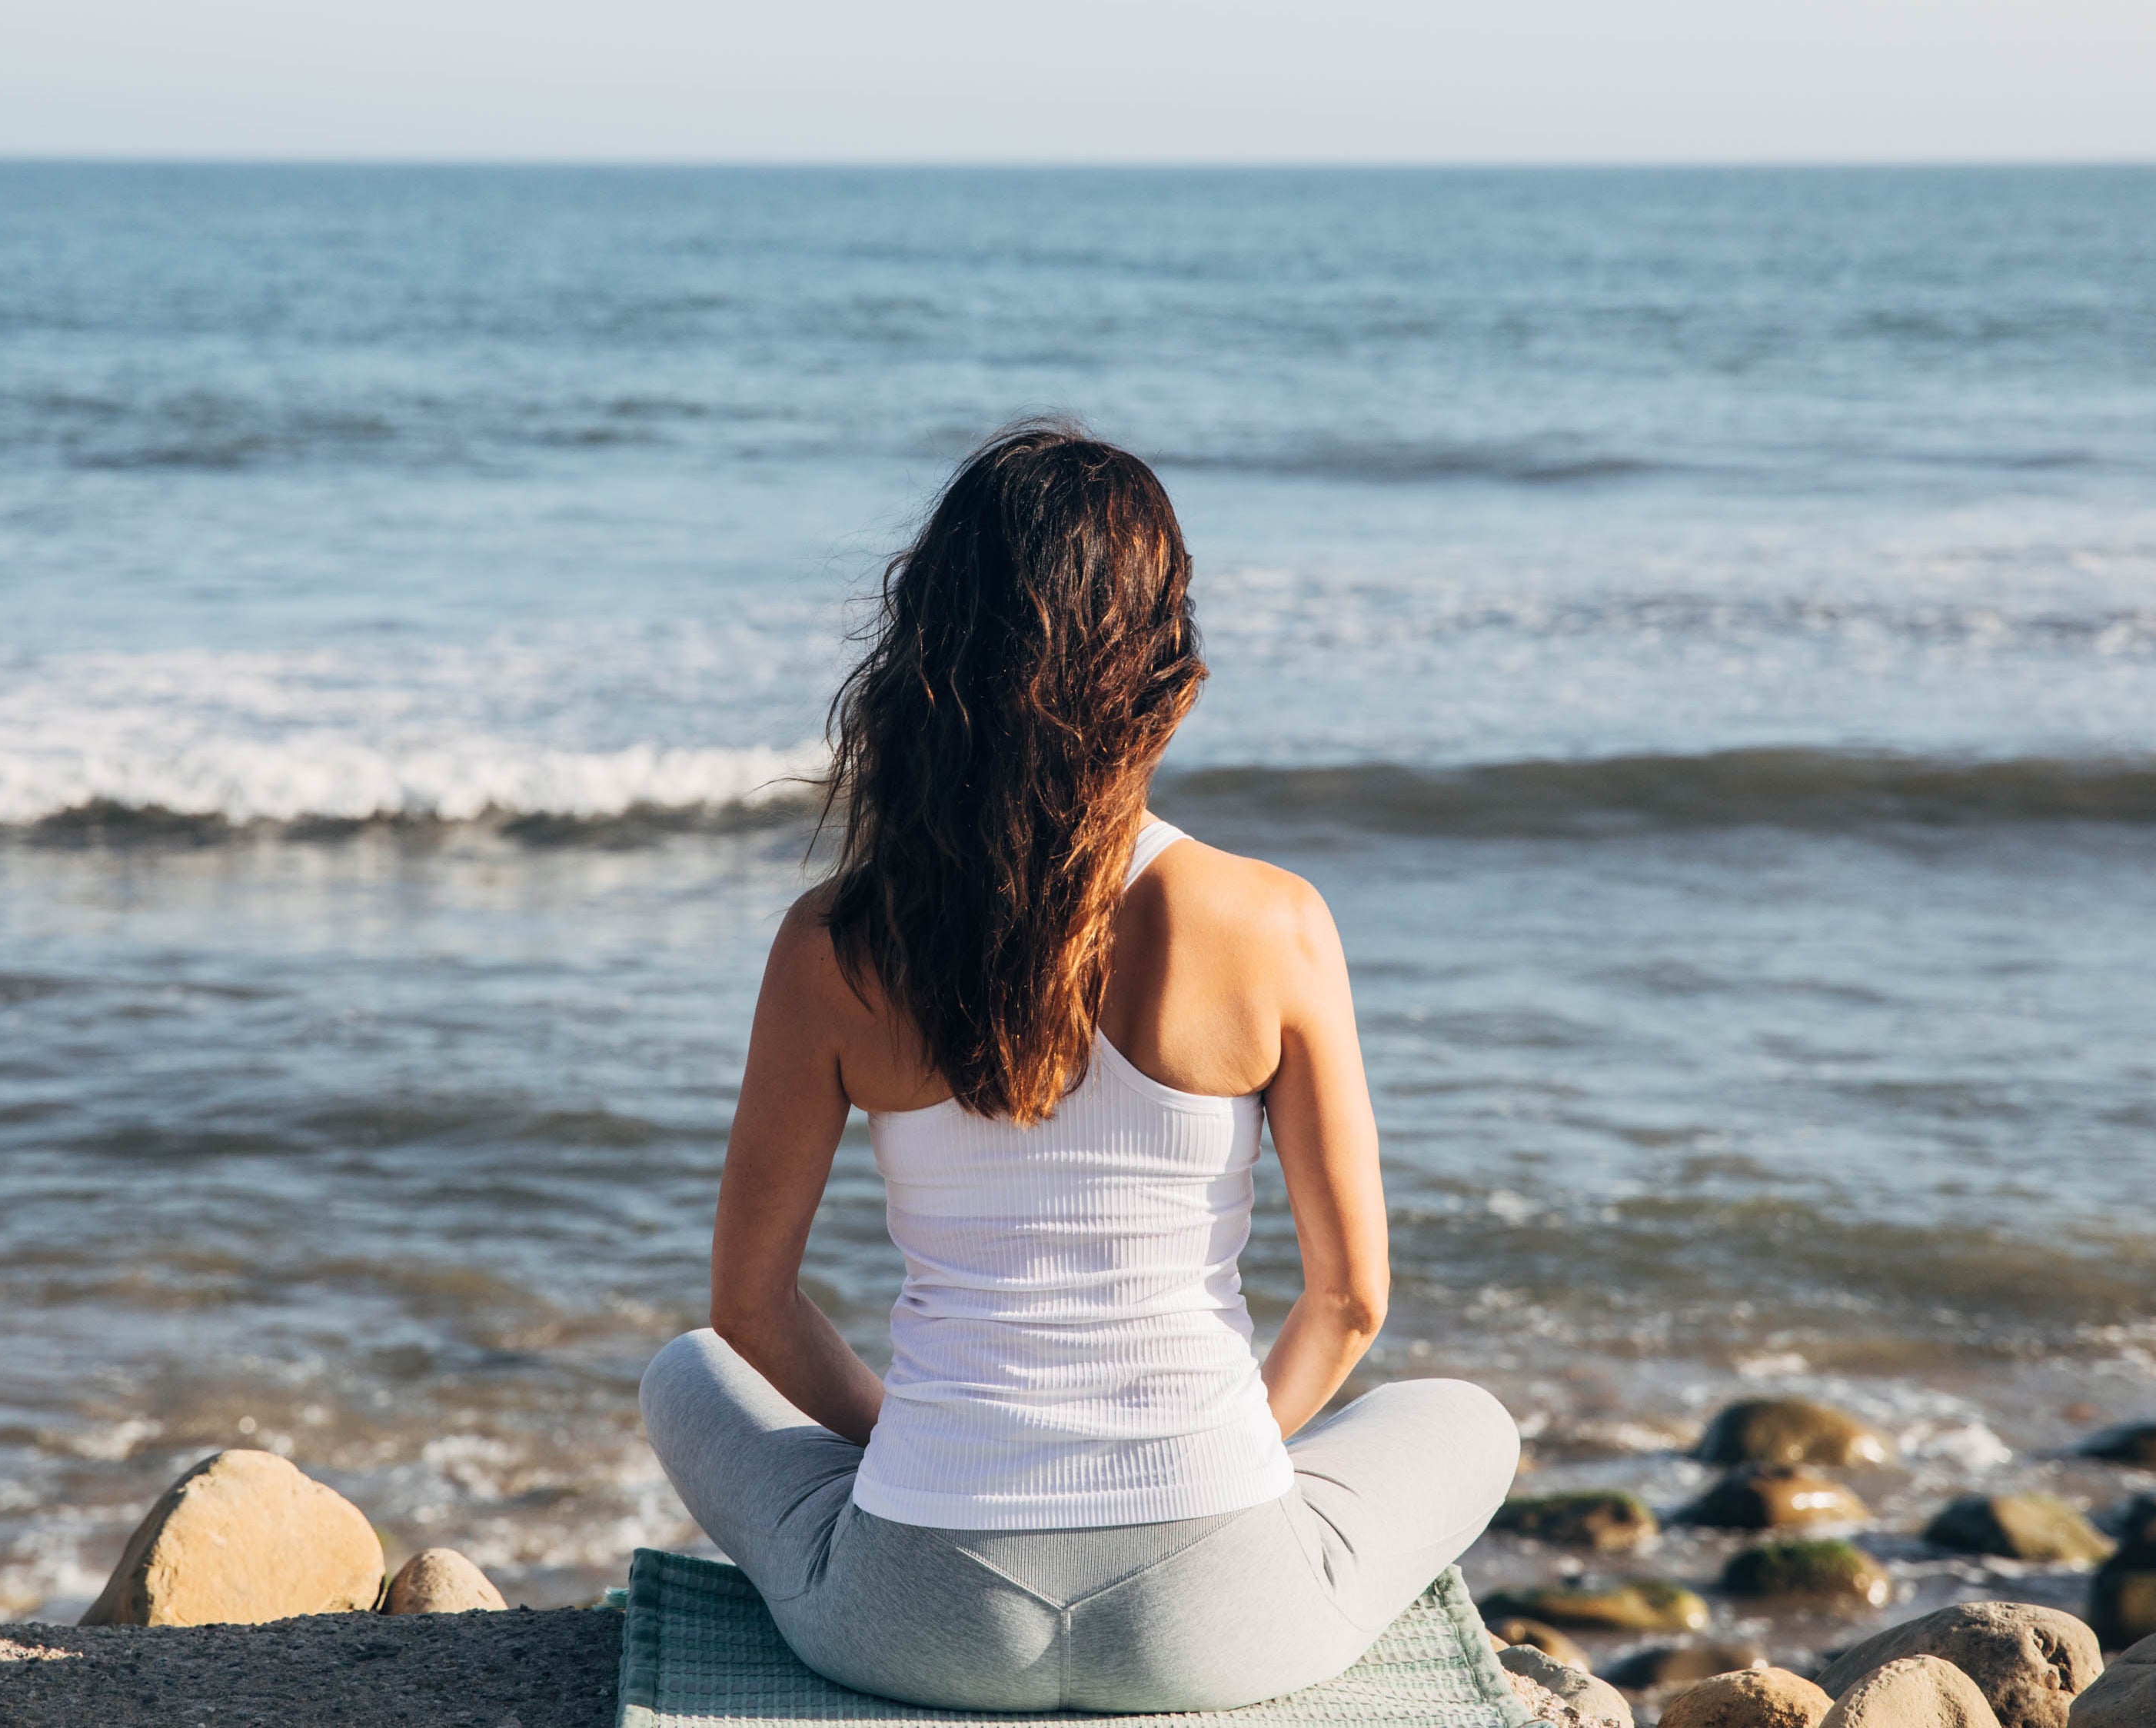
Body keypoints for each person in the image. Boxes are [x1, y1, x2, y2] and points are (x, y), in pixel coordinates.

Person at [640, 422, 1518, 1713]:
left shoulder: (836, 944)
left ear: (925, 654)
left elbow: (751, 1310)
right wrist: (1206, 1471)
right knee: (1468, 1421)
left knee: (683, 1374)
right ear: (1166, 665)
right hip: (1216, 1613)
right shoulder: (1272, 921)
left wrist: (932, 1447)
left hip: (916, 1619)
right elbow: (1350, 1302)